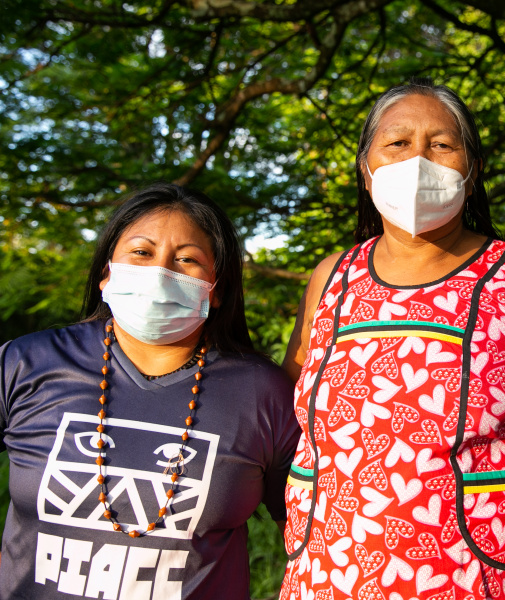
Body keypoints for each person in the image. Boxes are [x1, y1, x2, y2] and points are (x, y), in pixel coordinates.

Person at [280, 78, 505, 600]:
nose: (418, 161)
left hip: (484, 581)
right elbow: (291, 429)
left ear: (472, 174)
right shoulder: (331, 279)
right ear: (366, 173)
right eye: (398, 143)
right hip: (325, 581)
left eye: (442, 144)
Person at [0, 183, 301, 599]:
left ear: (216, 289)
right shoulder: (26, 362)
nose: (161, 272)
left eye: (188, 259)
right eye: (141, 252)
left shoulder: (262, 394)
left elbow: (314, 533)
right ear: (106, 273)